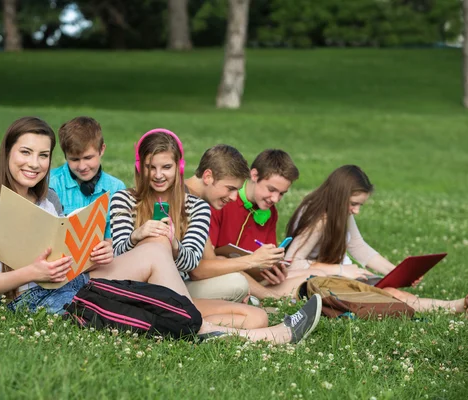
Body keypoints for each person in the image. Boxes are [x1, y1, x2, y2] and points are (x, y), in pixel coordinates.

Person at [0, 117, 321, 344]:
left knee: (155, 249)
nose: (34, 163)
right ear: (7, 152)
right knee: (159, 306)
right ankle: (270, 337)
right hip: (34, 300)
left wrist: (93, 253)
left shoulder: (50, 198)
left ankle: (236, 323)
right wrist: (32, 272)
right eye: (25, 153)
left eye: (43, 155)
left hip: (72, 281)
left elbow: (62, 257)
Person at [110, 128, 323, 342]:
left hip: (177, 293)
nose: (158, 175)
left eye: (166, 167)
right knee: (156, 241)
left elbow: (192, 262)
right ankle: (266, 335)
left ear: (178, 167)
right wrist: (136, 236)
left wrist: (174, 245)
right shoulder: (124, 199)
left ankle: (192, 326)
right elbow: (118, 256)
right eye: (150, 167)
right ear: (140, 168)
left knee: (257, 318)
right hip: (136, 290)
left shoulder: (197, 207)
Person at [285, 165, 468, 318]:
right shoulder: (319, 218)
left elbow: (359, 247)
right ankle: (459, 306)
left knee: (391, 291)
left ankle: (461, 306)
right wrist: (340, 270)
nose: (355, 211)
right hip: (321, 284)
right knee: (389, 295)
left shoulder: (339, 211)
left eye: (360, 205)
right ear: (339, 196)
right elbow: (291, 263)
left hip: (341, 277)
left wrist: (397, 271)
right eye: (354, 204)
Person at [206, 149, 310, 300]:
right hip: (222, 274)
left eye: (281, 193)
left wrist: (274, 269)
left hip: (252, 278)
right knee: (226, 264)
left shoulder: (270, 212)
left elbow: (265, 257)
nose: (275, 198)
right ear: (254, 175)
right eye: (271, 189)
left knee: (307, 276)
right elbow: (210, 261)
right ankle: (275, 300)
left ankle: (265, 297)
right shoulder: (222, 201)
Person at [49, 116, 125, 266]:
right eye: (75, 159)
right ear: (65, 156)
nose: (82, 166)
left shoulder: (116, 188)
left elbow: (114, 240)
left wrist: (109, 249)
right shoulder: (51, 182)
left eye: (88, 157)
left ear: (102, 149)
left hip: (98, 268)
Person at [183, 145, 251, 302]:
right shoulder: (185, 199)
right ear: (208, 176)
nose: (234, 197)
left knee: (233, 279)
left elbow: (210, 260)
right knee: (237, 284)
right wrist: (252, 260)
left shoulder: (198, 202)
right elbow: (196, 271)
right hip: (167, 287)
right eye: (230, 188)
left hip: (176, 282)